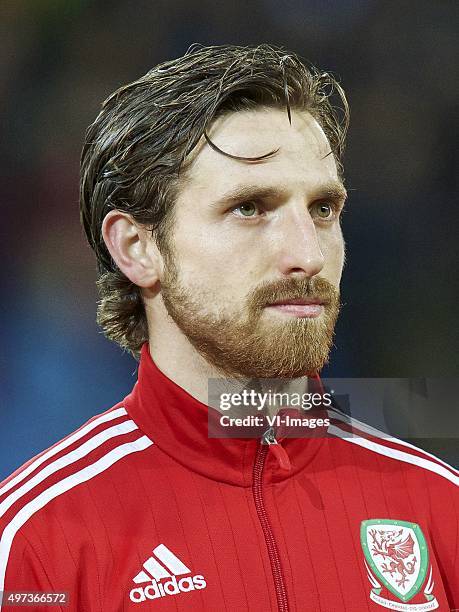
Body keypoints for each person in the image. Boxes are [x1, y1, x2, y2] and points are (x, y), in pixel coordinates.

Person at [0, 44, 457, 612]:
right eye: (249, 208)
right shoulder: (39, 539)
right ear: (138, 248)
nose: (307, 254)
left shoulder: (439, 506)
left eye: (322, 209)